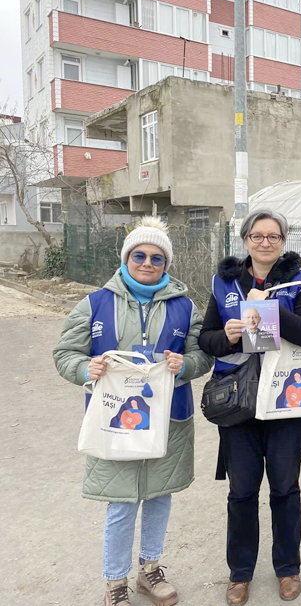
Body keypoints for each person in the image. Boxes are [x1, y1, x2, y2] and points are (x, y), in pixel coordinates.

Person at [53, 216, 213, 606]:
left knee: (159, 496)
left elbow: (202, 354)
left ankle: (150, 571)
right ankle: (114, 583)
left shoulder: (185, 306)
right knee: (122, 502)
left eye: (157, 258)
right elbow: (64, 353)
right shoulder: (95, 303)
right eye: (139, 255)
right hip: (114, 420)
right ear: (126, 259)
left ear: (166, 264)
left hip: (169, 417)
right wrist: (82, 369)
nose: (147, 263)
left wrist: (186, 366)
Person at [198, 210, 301, 604]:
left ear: (283, 240)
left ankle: (288, 569)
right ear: (245, 239)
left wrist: (266, 308)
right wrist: (230, 336)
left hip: (288, 399)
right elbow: (207, 339)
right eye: (257, 235)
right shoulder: (225, 281)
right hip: (240, 401)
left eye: (273, 236)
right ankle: (240, 573)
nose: (265, 242)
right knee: (242, 491)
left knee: (285, 488)